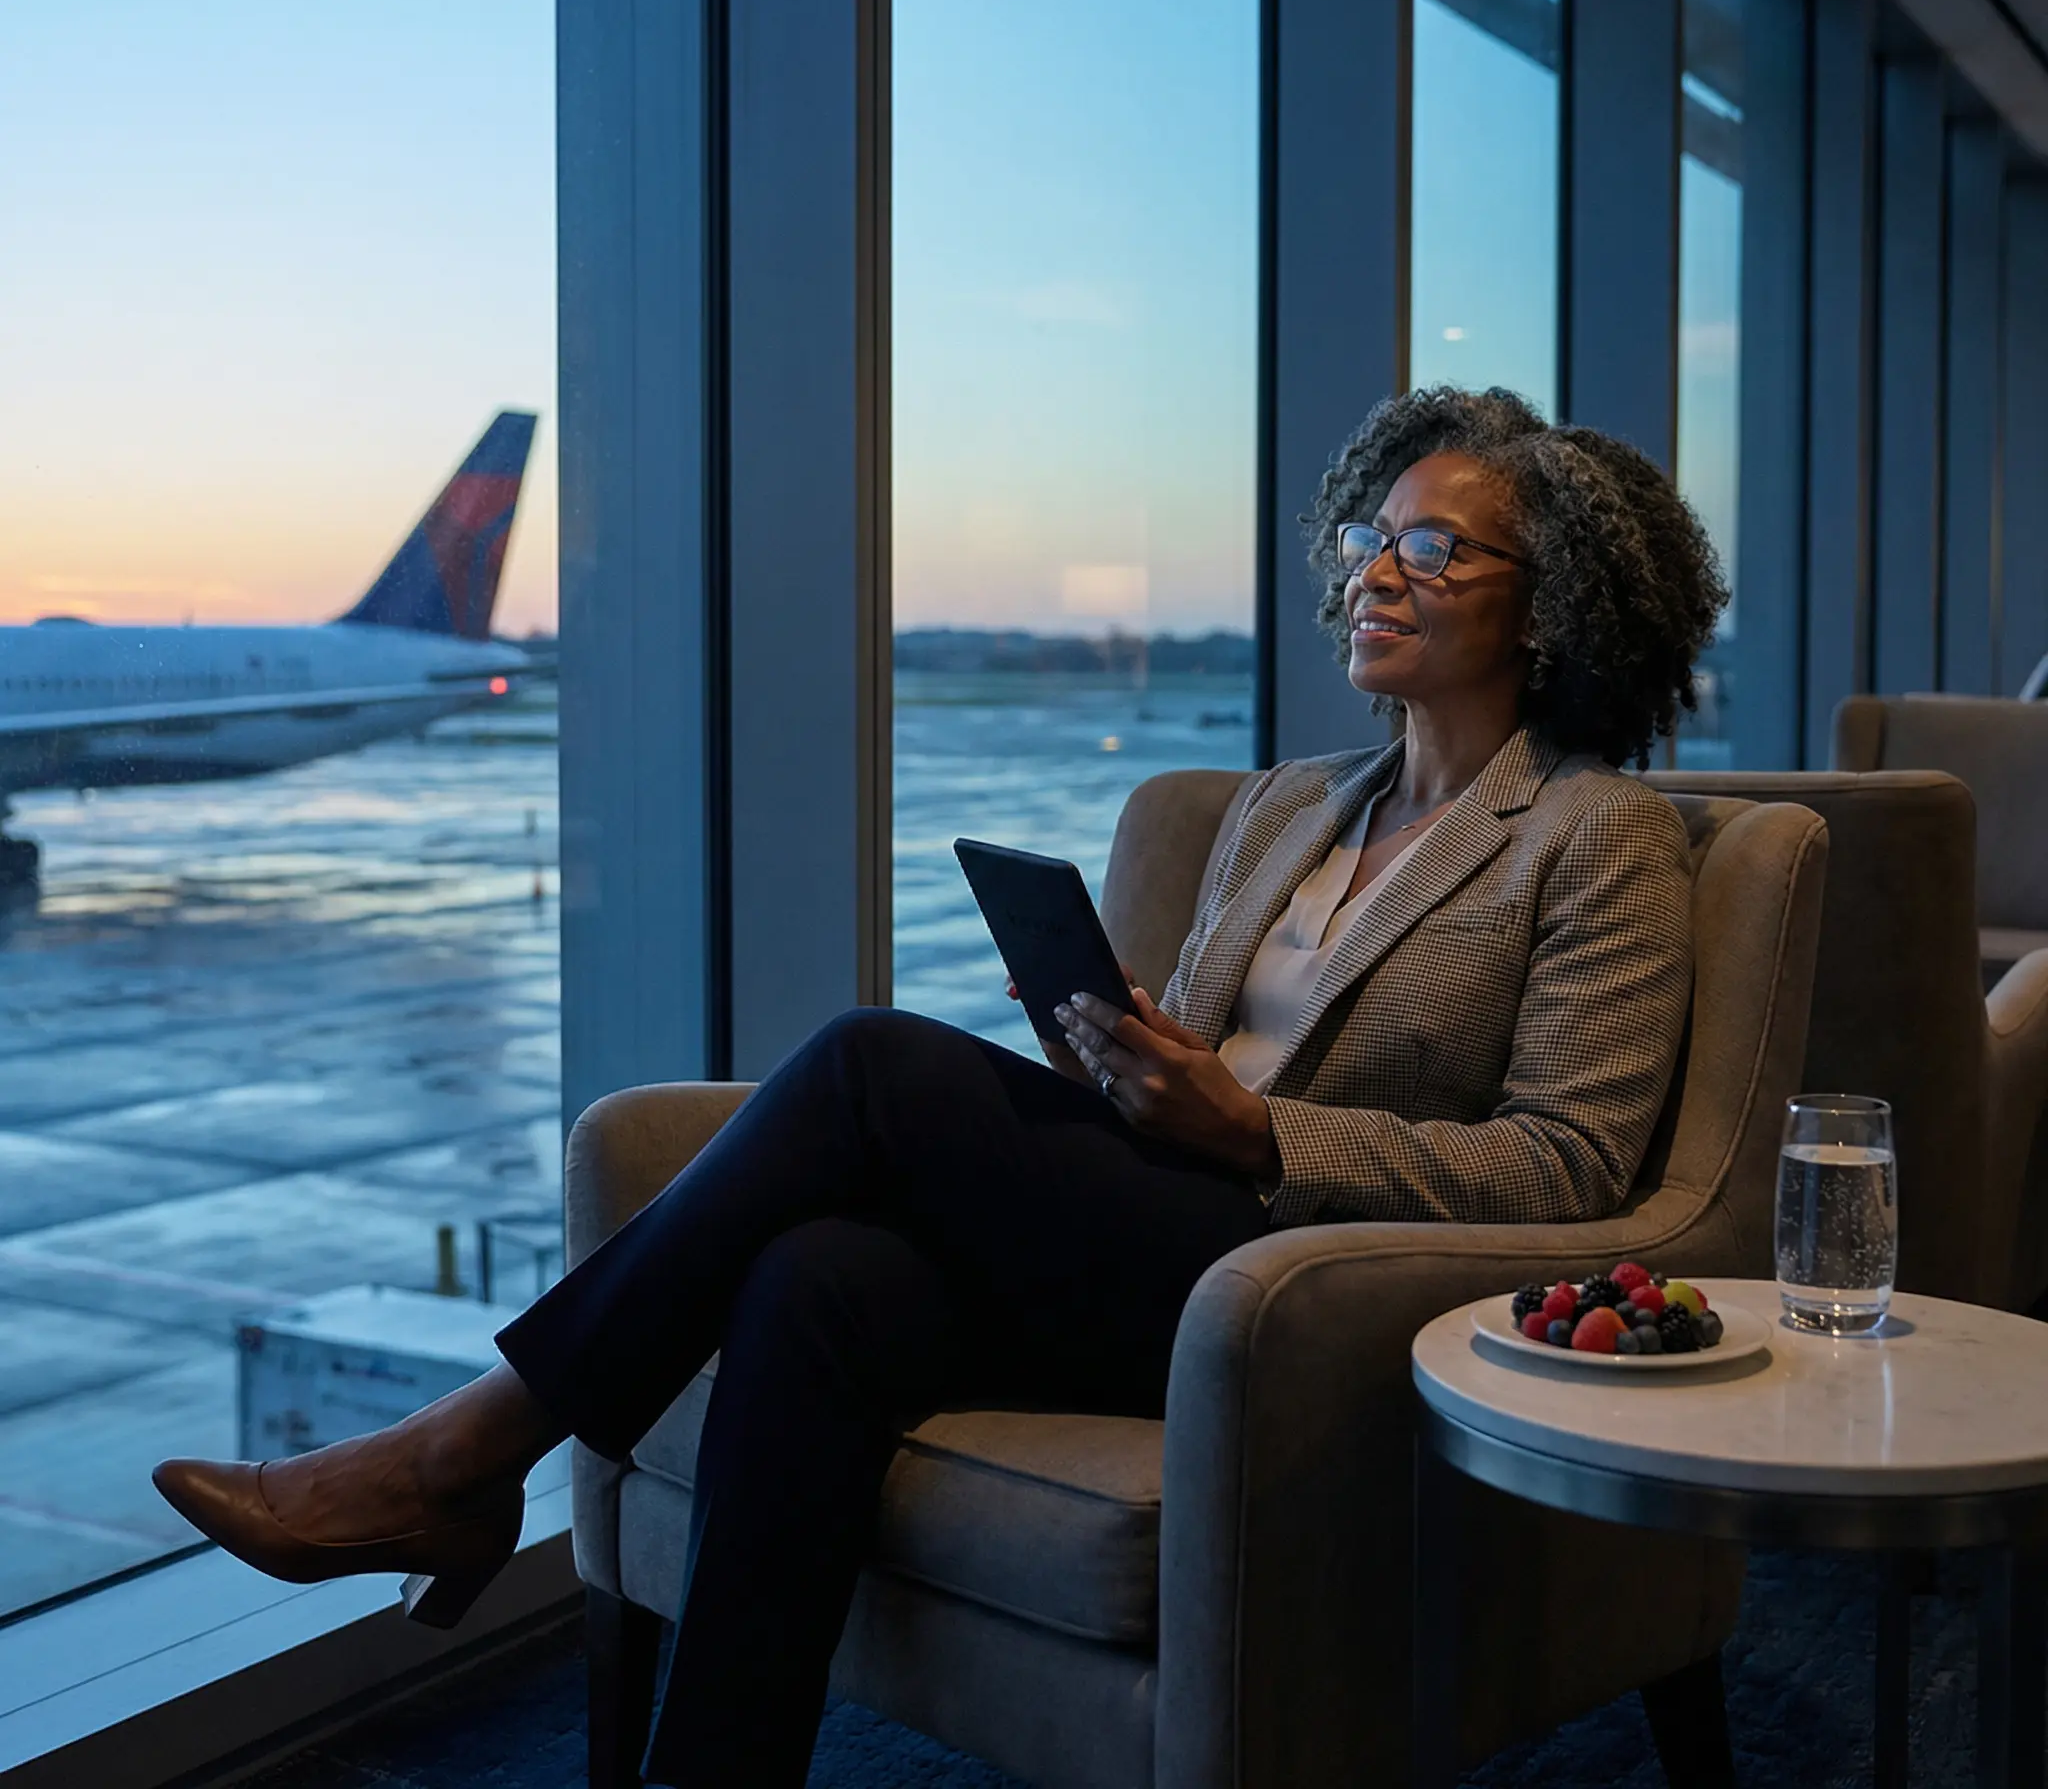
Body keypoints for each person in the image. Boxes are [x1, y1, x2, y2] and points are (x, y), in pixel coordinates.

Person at [154, 385, 1727, 1787]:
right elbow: (1201, 1046)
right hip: (1158, 1225)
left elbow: (1570, 1168)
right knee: (816, 1276)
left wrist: (1255, 1127)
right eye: (1371, 539)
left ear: (1552, 606)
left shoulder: (1599, 837)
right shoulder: (1289, 807)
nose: (1377, 572)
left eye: (1434, 550)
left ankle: (465, 1455)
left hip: (1309, 1287)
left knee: (870, 1063)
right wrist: (1120, 1064)